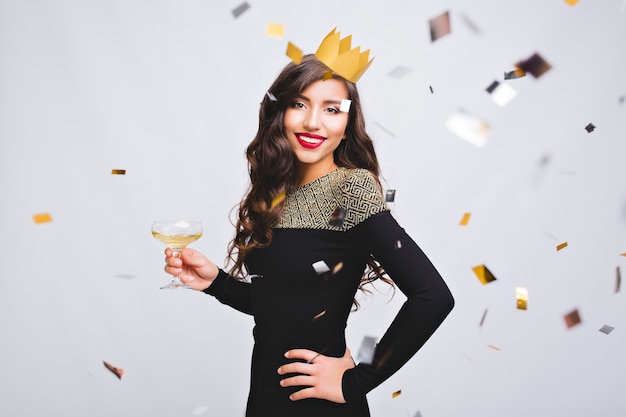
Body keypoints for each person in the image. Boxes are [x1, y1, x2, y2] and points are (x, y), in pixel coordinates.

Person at [163, 46, 454, 417]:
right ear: (280, 112)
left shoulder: (351, 188)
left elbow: (433, 296)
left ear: (347, 124)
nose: (313, 122)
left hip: (321, 406)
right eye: (300, 105)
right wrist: (216, 283)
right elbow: (284, 305)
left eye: (332, 109)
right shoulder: (272, 193)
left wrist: (355, 382)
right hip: (266, 400)